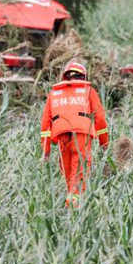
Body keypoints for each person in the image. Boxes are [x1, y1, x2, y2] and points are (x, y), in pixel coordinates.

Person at [40, 60, 109, 207]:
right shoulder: (88, 90)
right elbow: (100, 120)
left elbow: (45, 124)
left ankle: (70, 205)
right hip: (82, 135)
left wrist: (45, 152)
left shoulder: (54, 93)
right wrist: (104, 143)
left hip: (61, 136)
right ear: (83, 77)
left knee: (68, 175)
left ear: (65, 77)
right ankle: (74, 210)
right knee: (79, 174)